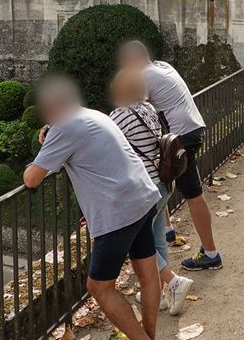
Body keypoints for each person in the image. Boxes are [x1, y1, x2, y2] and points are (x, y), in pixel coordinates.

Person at [25, 75, 161, 340]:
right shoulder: (91, 114)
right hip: (142, 195)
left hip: (117, 210)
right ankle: (150, 335)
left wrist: (43, 149)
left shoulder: (64, 127)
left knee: (99, 286)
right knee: (147, 271)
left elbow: (32, 179)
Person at [118, 41, 222, 271]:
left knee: (193, 193)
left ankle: (211, 252)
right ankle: (166, 231)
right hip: (189, 129)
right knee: (159, 173)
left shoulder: (145, 76)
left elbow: (131, 107)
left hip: (180, 136)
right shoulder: (162, 66)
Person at [108, 69, 195, 316]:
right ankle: (158, 296)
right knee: (156, 241)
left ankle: (174, 282)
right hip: (162, 183)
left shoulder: (120, 116)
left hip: (142, 190)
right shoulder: (149, 110)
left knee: (137, 245)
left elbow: (99, 138)